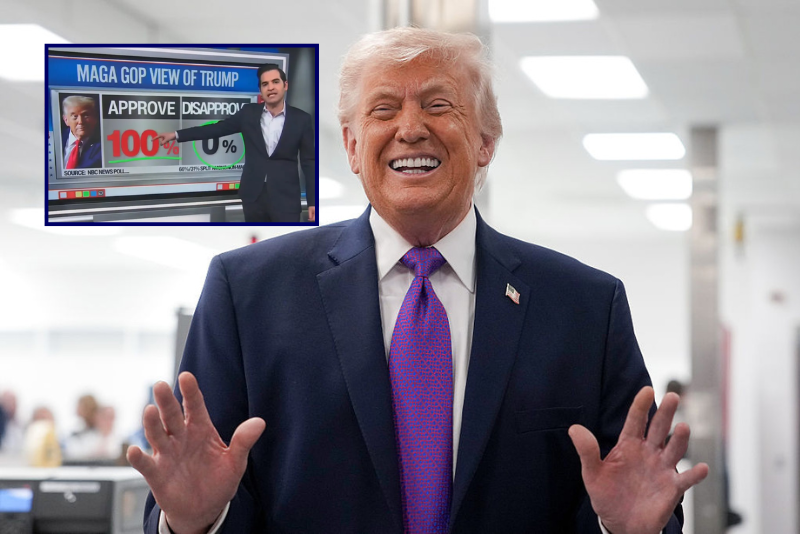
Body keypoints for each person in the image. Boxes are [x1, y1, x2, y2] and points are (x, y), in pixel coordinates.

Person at [128, 28, 708, 534]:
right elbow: (195, 490)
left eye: (438, 104)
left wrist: (622, 529)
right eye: (383, 110)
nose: (410, 129)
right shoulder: (246, 293)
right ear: (353, 147)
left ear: (486, 142)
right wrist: (197, 521)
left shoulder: (585, 306)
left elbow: (637, 499)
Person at [156, 63, 316, 224]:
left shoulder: (301, 119)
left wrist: (313, 201)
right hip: (253, 197)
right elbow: (216, 129)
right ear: (260, 90)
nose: (271, 88)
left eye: (275, 82)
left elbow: (309, 163)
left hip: (286, 199)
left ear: (285, 85)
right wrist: (176, 135)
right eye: (265, 84)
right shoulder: (248, 113)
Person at [61, 95, 102, 169]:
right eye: (75, 116)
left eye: (85, 116)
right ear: (66, 120)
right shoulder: (55, 138)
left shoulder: (103, 146)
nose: (80, 122)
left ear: (95, 118)